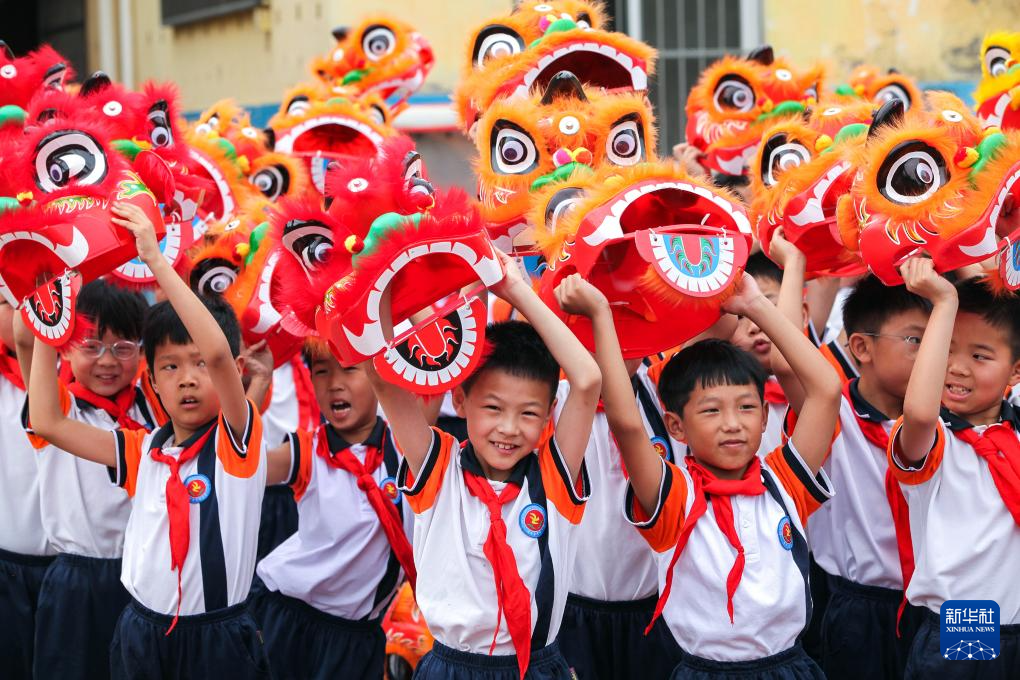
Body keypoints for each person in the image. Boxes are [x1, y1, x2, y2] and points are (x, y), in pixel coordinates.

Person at [26, 201, 270, 679]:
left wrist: (155, 260)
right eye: (170, 367)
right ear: (151, 380)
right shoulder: (144, 450)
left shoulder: (235, 444)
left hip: (214, 637)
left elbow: (221, 354)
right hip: (140, 629)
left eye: (199, 365)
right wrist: (47, 327)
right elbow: (48, 421)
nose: (187, 379)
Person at [581, 269, 841, 678]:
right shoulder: (673, 495)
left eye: (746, 407)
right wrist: (600, 315)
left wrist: (756, 305)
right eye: (711, 410)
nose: (733, 423)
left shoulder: (784, 480)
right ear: (676, 427)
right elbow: (627, 422)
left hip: (789, 667)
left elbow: (826, 389)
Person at [370, 252, 602, 679]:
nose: (509, 428)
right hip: (450, 667)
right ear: (460, 401)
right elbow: (383, 376)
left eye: (529, 414)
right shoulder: (438, 468)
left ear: (550, 412)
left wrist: (515, 290)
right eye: (492, 407)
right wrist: (381, 278)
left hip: (534, 667)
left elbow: (587, 379)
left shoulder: (553, 478)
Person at [769, 237, 930, 679]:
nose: (937, 355)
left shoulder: (957, 421)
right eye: (917, 340)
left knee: (976, 668)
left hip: (953, 604)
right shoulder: (832, 409)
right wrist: (796, 262)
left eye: (942, 340)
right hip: (859, 605)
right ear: (861, 348)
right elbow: (787, 360)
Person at [15, 279, 157, 680]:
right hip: (76, 582)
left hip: (142, 577)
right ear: (66, 349)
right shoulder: (58, 408)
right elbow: (25, 340)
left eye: (123, 347)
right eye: (91, 345)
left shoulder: (154, 407)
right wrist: (52, 303)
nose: (108, 361)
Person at [252, 344, 415, 680]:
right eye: (322, 371)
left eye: (349, 369)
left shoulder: (408, 449)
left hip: (358, 634)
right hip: (290, 618)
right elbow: (232, 465)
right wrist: (259, 383)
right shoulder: (306, 450)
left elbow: (447, 367)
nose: (334, 383)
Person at [889, 263, 1020, 678]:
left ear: (1016, 371)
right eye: (946, 351)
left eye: (979, 356)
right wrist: (944, 301)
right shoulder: (935, 440)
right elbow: (920, 411)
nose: (957, 367)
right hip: (967, 622)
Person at [555, 354, 683, 680]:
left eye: (618, 330)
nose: (606, 344)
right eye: (595, 328)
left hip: (654, 611)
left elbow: (719, 324)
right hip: (571, 612)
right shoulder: (551, 399)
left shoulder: (661, 390)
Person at [0, 298, 54, 679]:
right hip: (6, 567)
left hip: (68, 572)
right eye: (7, 301)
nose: (23, 312)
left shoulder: (83, 376)